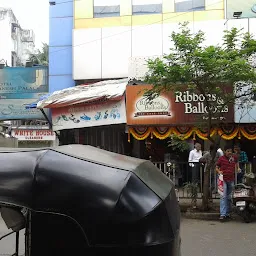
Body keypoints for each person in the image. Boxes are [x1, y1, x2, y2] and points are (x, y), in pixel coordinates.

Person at [216, 144, 240, 222]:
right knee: (223, 196)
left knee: (229, 197)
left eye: (230, 151)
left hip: (231, 179)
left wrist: (238, 168)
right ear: (224, 151)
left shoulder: (234, 158)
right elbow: (217, 167)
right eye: (228, 151)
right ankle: (222, 215)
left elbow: (237, 163)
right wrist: (219, 171)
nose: (229, 152)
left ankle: (228, 213)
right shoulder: (221, 159)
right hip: (223, 180)